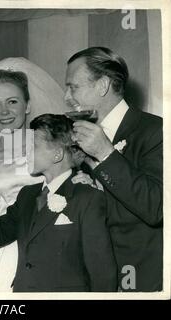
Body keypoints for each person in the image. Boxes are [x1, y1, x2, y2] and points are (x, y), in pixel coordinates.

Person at [0, 114, 117, 292]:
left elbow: (102, 273)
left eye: (33, 147)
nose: (25, 153)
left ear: (57, 154)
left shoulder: (87, 197)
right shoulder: (27, 196)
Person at [0, 59, 69, 292]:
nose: (4, 112)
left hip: (49, 253)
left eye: (12, 102)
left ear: (28, 105)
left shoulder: (51, 150)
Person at [65, 47, 162, 291]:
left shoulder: (156, 131)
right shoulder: (80, 137)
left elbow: (157, 206)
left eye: (73, 87)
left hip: (140, 278)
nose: (67, 97)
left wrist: (105, 154)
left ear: (103, 85)